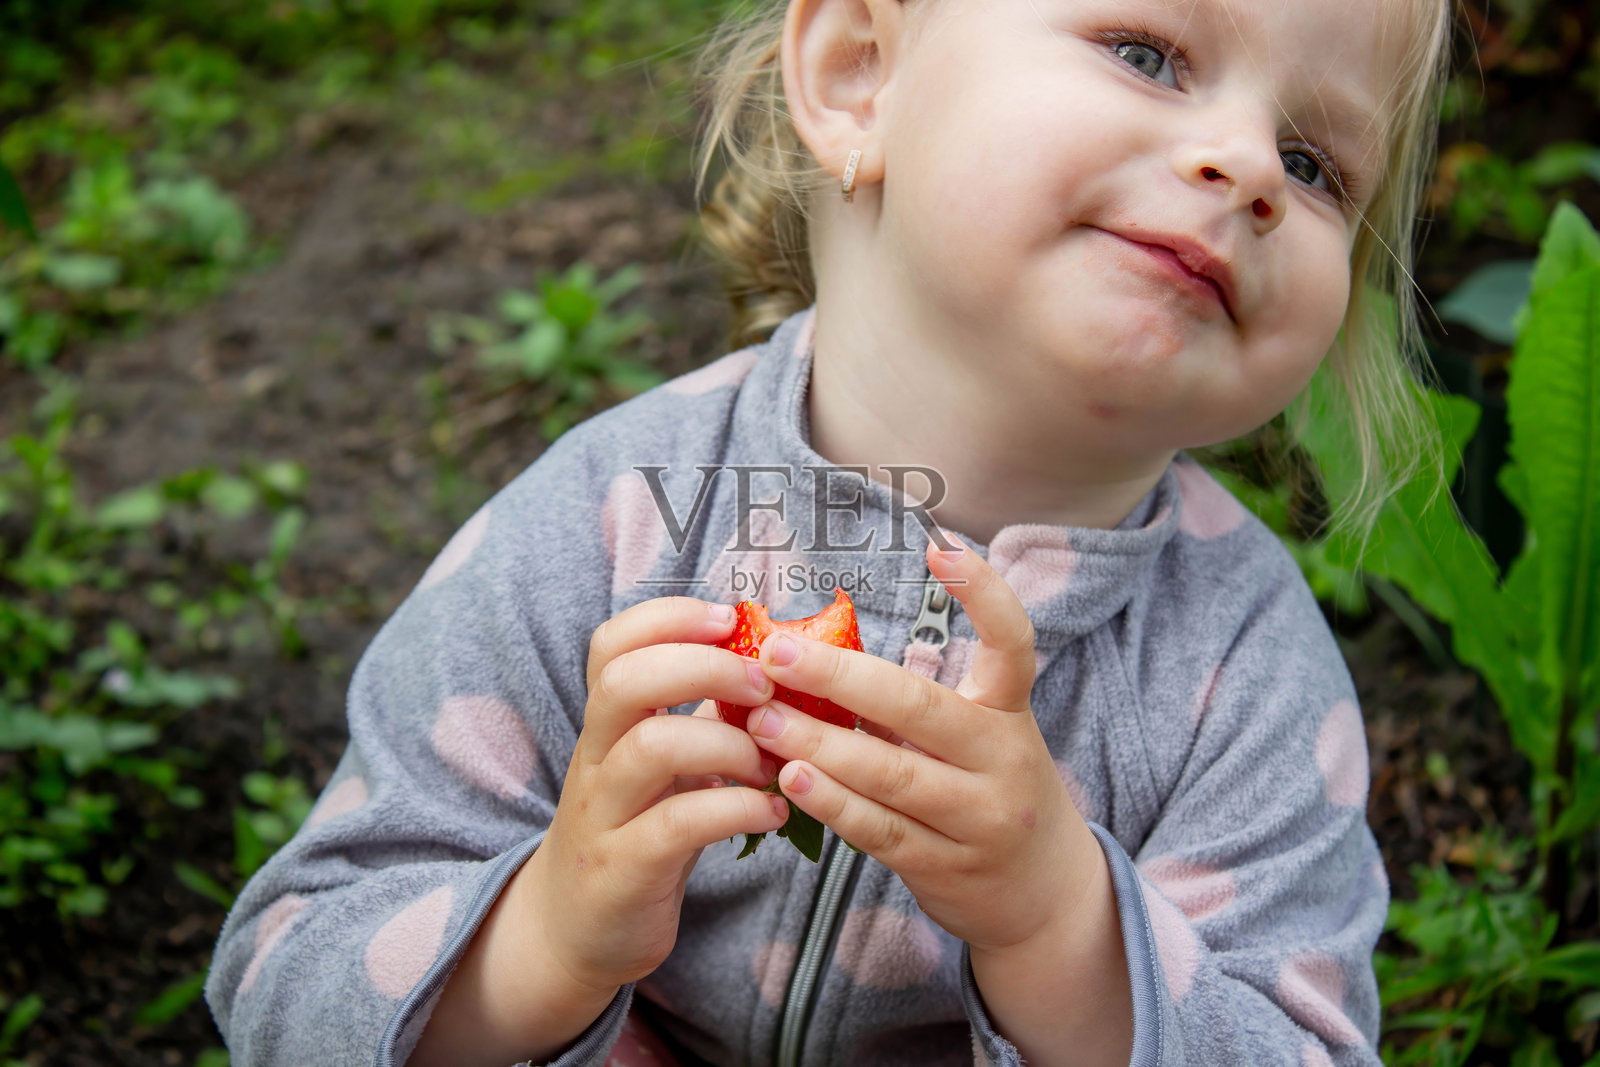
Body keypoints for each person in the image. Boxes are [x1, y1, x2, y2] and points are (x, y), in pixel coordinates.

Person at [204, 0, 1454, 1063]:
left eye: (1315, 162)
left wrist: (1063, 926)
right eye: (1147, 53)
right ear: (858, 75)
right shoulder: (612, 520)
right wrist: (548, 934)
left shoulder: (1240, 671)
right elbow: (285, 976)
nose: (1244, 164)